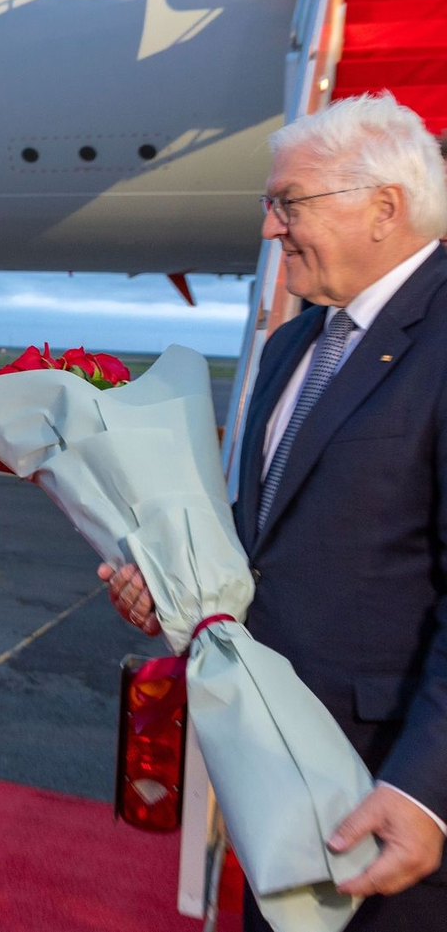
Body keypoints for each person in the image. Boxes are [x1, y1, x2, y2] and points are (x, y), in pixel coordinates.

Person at [102, 94, 447, 929]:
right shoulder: (297, 341)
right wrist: (172, 581)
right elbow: (268, 535)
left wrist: (425, 790)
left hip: (391, 792)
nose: (269, 228)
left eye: (288, 203)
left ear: (385, 207)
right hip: (282, 787)